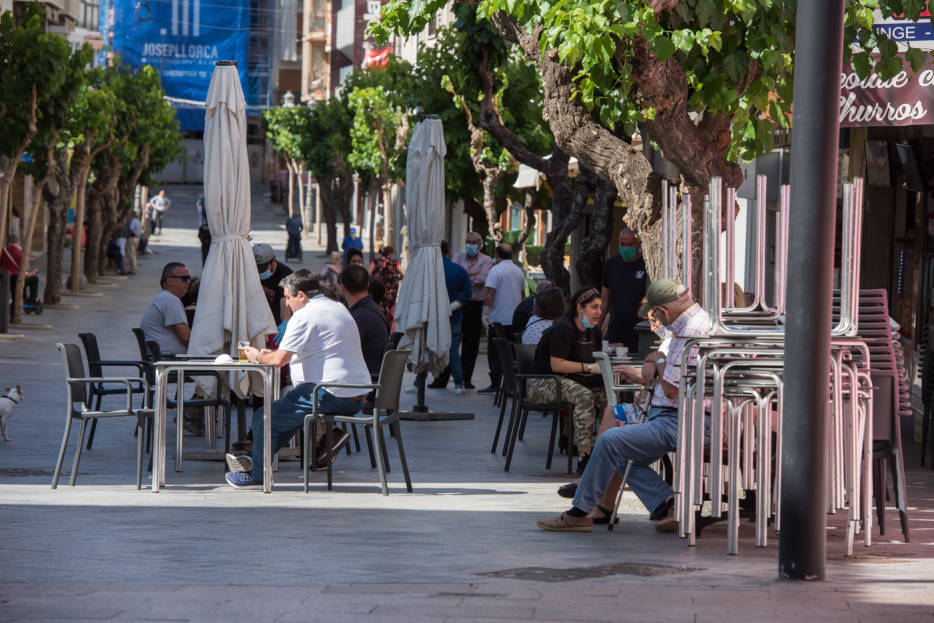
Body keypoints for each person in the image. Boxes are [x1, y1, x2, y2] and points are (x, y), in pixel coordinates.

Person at [536, 279, 711, 531]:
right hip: (664, 413)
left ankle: (579, 512)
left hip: (678, 419)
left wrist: (658, 363)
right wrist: (654, 361)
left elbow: (673, 389)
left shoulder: (691, 332)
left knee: (611, 441)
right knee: (614, 416)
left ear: (663, 312)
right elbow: (666, 368)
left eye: (657, 317)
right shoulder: (687, 326)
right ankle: (663, 502)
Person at [225, 269, 372, 489]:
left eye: (288, 297)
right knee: (285, 417)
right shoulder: (337, 306)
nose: (286, 303)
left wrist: (256, 356)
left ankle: (257, 476)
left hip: (330, 392)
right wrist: (271, 356)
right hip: (357, 393)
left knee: (263, 417)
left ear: (301, 295)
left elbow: (279, 361)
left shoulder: (304, 315)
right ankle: (256, 460)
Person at [527, 288, 607, 472]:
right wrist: (588, 368)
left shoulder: (594, 332)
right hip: (543, 382)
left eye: (600, 307)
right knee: (584, 396)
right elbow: (557, 365)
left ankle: (603, 450)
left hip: (573, 380)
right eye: (594, 307)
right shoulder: (563, 329)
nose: (599, 312)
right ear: (580, 308)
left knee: (608, 396)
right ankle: (584, 457)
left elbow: (593, 361)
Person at [427, 240, 472, 393]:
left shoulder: (429, 270)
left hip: (431, 316)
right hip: (453, 316)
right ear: (449, 251)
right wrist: (454, 306)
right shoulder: (459, 270)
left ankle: (416, 382)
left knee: (427, 347)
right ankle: (459, 384)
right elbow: (467, 293)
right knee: (453, 350)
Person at [480, 243, 525, 393]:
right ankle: (510, 383)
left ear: (497, 255)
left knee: (495, 352)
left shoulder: (496, 270)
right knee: (511, 353)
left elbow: (490, 293)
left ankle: (495, 383)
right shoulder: (519, 271)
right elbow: (523, 295)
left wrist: (485, 312)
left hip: (498, 318)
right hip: (515, 319)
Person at [452, 232, 493, 390]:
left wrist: (465, 275)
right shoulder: (458, 257)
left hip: (475, 305)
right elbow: (456, 276)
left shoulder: (486, 260)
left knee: (471, 344)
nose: (471, 244)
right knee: (451, 341)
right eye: (468, 241)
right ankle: (444, 377)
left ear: (480, 244)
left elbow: (482, 280)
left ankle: (466, 378)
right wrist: (471, 274)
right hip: (458, 304)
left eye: (474, 242)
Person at [599, 227, 649, 352]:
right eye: (623, 244)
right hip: (616, 326)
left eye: (630, 244)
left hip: (639, 326)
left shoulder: (646, 265)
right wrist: (597, 329)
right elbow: (604, 300)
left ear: (638, 244)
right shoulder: (611, 265)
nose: (626, 247)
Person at [341, 264, 389, 377]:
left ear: (343, 288)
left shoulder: (359, 317)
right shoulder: (372, 309)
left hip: (363, 386)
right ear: (368, 284)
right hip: (372, 380)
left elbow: (342, 353)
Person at [140, 262, 191, 356]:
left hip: (164, 359)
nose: (188, 282)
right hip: (169, 361)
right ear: (169, 281)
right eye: (184, 279)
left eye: (189, 278)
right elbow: (186, 338)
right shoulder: (170, 300)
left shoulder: (164, 298)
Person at [253, 242, 293, 326]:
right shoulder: (249, 271)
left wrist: (285, 323)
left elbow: (285, 302)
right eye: (256, 268)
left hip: (277, 321)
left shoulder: (286, 274)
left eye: (263, 268)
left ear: (274, 261)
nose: (260, 272)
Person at [1, 234, 39, 306]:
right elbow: (25, 269)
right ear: (17, 241)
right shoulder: (20, 252)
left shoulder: (4, 251)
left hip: (6, 279)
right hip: (17, 278)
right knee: (34, 279)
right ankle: (32, 300)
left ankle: (24, 298)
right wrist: (34, 271)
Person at [369, 245, 402, 314]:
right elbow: (404, 273)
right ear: (391, 253)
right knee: (391, 311)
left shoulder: (375, 261)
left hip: (378, 290)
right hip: (391, 292)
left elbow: (368, 273)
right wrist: (398, 278)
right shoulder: (395, 262)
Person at [196, 195, 211, 265]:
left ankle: (205, 267)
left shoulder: (202, 198)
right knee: (206, 251)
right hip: (206, 229)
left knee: (205, 252)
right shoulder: (204, 198)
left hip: (204, 228)